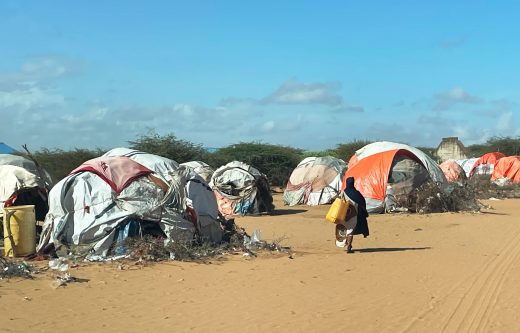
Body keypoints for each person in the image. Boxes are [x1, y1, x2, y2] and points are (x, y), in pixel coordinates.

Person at [335, 177, 369, 253]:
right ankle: (349, 246)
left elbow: (340, 200)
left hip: (344, 214)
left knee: (344, 228)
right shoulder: (356, 193)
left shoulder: (344, 192)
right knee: (350, 230)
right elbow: (362, 202)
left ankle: (344, 243)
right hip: (353, 214)